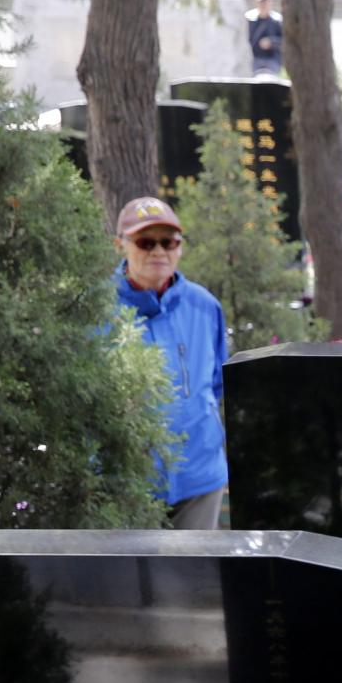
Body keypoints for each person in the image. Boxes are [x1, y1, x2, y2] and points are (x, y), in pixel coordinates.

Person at [113, 197, 229, 530]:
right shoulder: (95, 310)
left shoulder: (205, 306)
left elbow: (217, 381)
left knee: (195, 580)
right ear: (121, 245)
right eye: (145, 242)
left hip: (198, 478)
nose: (158, 252)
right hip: (127, 485)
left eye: (169, 242)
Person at [246, 0, 283, 75]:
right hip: (254, 60)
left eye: (266, 2)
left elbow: (284, 41)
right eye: (261, 2)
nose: (263, 5)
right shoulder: (250, 20)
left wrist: (271, 42)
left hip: (272, 60)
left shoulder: (277, 21)